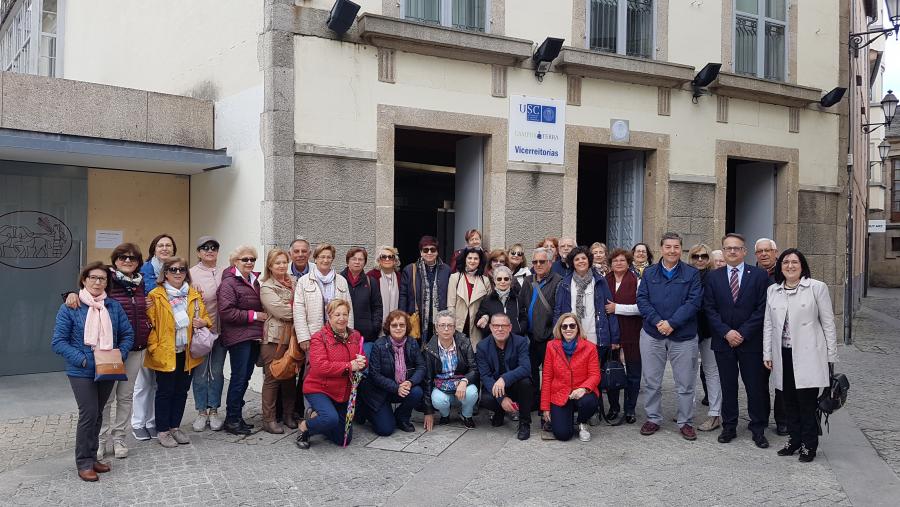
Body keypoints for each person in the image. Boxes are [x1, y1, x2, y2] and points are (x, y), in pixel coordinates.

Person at [63, 244, 149, 459]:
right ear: (115, 259)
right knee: (105, 400)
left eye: (132, 258)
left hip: (132, 348)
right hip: (102, 352)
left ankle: (120, 437)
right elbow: (87, 294)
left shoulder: (141, 283)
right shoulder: (107, 278)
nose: (127, 260)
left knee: (126, 396)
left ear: (139, 262)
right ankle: (100, 440)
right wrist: (71, 294)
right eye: (122, 257)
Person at [52, 262, 134, 481]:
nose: (98, 282)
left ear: (107, 282)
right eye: (93, 278)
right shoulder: (71, 306)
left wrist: (120, 354)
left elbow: (127, 334)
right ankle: (83, 462)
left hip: (108, 367)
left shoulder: (113, 306)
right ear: (84, 280)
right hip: (82, 370)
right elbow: (58, 342)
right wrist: (83, 360)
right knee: (88, 414)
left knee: (98, 413)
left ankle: (92, 456)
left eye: (102, 279)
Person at [763, 249, 838, 463]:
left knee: (806, 403)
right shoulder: (773, 291)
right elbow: (768, 324)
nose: (790, 266)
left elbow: (828, 323)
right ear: (780, 267)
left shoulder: (816, 288)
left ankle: (809, 445)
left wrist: (830, 356)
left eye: (794, 262)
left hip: (809, 355)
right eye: (785, 262)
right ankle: (793, 440)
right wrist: (767, 352)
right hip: (783, 354)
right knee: (788, 402)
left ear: (802, 265)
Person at [704, 233, 772, 449]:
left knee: (755, 387)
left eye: (737, 248)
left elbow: (763, 308)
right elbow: (709, 309)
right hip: (723, 342)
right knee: (728, 385)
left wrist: (742, 332)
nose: (732, 251)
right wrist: (726, 332)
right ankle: (729, 426)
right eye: (728, 248)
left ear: (744, 251)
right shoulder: (713, 277)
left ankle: (758, 428)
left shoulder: (759, 276)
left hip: (751, 342)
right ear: (723, 252)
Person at [636, 232, 702, 441]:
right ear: (661, 249)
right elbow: (642, 300)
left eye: (676, 247)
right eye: (668, 247)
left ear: (680, 249)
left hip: (683, 335)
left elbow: (693, 303)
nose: (672, 251)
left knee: (685, 383)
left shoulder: (692, 274)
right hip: (652, 334)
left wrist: (672, 323)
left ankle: (685, 422)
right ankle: (653, 418)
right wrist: (658, 322)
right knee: (652, 381)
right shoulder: (649, 273)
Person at [145, 257, 210, 448]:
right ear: (165, 273)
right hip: (165, 351)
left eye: (181, 269)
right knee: (165, 392)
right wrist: (154, 347)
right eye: (173, 270)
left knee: (181, 391)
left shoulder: (193, 294)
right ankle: (163, 430)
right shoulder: (155, 295)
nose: (177, 273)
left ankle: (175, 426)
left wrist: (204, 322)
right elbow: (150, 325)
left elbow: (206, 317)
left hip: (187, 351)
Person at [553, 245, 620, 420]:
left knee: (595, 373)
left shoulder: (599, 281)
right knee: (576, 373)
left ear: (589, 261)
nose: (581, 261)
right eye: (577, 259)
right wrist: (557, 335)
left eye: (583, 258)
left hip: (595, 334)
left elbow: (609, 308)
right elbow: (559, 311)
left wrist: (614, 336)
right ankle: (578, 407)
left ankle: (597, 408)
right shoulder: (565, 283)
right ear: (572, 263)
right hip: (572, 335)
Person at [296, 300, 367, 449]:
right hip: (319, 388)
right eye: (337, 314)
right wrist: (349, 366)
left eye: (345, 314)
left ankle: (320, 418)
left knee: (343, 440)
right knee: (330, 419)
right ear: (329, 316)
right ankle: (305, 426)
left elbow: (361, 359)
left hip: (343, 393)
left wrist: (362, 362)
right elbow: (319, 366)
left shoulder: (355, 335)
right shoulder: (319, 337)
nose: (342, 318)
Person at [218, 245, 267, 435]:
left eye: (252, 259)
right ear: (235, 262)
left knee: (245, 378)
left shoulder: (254, 281)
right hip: (239, 338)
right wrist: (254, 316)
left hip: (253, 336)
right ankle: (231, 419)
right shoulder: (229, 283)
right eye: (244, 259)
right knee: (239, 378)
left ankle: (237, 417)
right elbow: (226, 312)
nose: (249, 262)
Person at [133, 234, 176, 440]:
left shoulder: (177, 271)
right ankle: (138, 422)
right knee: (144, 382)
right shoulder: (142, 272)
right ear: (154, 249)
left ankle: (152, 422)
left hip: (168, 336)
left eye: (168, 245)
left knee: (160, 383)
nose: (165, 248)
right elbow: (133, 298)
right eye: (161, 245)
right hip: (147, 332)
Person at [361, 310, 425, 436]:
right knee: (385, 430)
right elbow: (375, 375)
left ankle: (402, 417)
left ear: (407, 327)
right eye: (394, 325)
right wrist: (396, 388)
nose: (398, 328)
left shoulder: (412, 343)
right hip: (380, 391)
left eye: (402, 325)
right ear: (388, 327)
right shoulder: (379, 345)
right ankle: (365, 410)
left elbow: (421, 366)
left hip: (401, 387)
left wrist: (410, 382)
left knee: (417, 391)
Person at [540, 313, 600, 442]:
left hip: (581, 392)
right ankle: (564, 419)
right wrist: (545, 407)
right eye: (564, 326)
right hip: (560, 393)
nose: (568, 329)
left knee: (588, 401)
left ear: (577, 328)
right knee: (563, 435)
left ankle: (582, 422)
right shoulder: (551, 346)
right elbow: (547, 377)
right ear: (560, 329)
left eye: (572, 325)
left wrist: (584, 389)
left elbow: (595, 374)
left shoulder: (590, 347)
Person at [259, 248, 299, 434]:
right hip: (274, 338)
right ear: (270, 265)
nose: (282, 266)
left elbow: (303, 301)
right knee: (273, 377)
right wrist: (300, 310)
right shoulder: (266, 286)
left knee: (290, 376)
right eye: (277, 263)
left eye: (284, 262)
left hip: (293, 337)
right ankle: (269, 419)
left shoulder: (295, 281)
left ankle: (289, 415)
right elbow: (281, 311)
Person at [475, 313, 533, 440]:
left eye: (504, 325)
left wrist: (504, 379)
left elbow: (525, 367)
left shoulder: (520, 342)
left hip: (515, 386)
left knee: (526, 383)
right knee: (485, 398)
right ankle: (500, 411)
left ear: (510, 327)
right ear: (490, 327)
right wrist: (502, 399)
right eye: (496, 325)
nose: (500, 329)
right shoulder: (482, 346)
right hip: (496, 389)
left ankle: (524, 423)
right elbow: (485, 376)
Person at [189, 236, 226, 432]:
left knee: (217, 372)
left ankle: (214, 410)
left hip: (222, 332)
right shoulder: (190, 274)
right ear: (198, 252)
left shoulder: (226, 272)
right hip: (201, 332)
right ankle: (201, 412)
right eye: (205, 248)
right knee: (201, 372)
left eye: (213, 247)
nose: (209, 251)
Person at [518, 247, 563, 408]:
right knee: (531, 372)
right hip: (529, 336)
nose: (538, 264)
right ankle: (535, 402)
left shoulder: (558, 281)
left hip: (548, 336)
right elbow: (521, 307)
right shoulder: (528, 280)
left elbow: (559, 310)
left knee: (549, 373)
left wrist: (553, 334)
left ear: (550, 263)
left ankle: (547, 404)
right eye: (535, 261)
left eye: (542, 261)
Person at [603, 248, 643, 424]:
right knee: (612, 371)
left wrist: (617, 308)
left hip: (633, 333)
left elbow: (641, 307)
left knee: (633, 374)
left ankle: (630, 409)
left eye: (622, 260)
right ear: (610, 264)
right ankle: (613, 407)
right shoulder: (604, 281)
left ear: (628, 263)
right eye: (615, 261)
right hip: (611, 334)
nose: (618, 263)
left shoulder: (638, 281)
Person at [421, 310, 479, 430]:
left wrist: (464, 381)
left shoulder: (464, 342)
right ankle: (445, 415)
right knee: (437, 399)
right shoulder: (429, 349)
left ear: (454, 328)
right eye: (442, 325)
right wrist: (428, 412)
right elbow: (427, 379)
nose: (446, 329)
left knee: (472, 392)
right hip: (442, 386)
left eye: (450, 325)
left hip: (461, 385)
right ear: (436, 328)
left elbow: (474, 368)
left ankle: (466, 415)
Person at [755, 237, 787, 436]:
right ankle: (761, 416)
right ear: (755, 255)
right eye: (760, 251)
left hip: (781, 335)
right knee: (759, 382)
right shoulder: (751, 274)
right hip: (757, 336)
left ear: (776, 252)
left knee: (782, 381)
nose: (764, 254)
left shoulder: (786, 273)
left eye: (768, 250)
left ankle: (782, 420)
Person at [688, 243, 722, 432]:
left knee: (711, 372)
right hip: (690, 331)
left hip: (710, 331)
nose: (699, 259)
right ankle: (687, 410)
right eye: (695, 256)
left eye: (703, 256)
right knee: (689, 372)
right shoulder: (686, 275)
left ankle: (715, 414)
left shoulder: (716, 277)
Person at [294, 243, 354, 346]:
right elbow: (299, 311)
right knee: (316, 362)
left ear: (332, 259)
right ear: (315, 259)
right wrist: (303, 337)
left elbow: (349, 310)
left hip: (338, 335)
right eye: (322, 257)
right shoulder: (304, 281)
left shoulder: (341, 280)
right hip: (313, 335)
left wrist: (349, 333)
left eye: (329, 257)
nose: (325, 260)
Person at [399, 236, 451, 340]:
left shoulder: (446, 270)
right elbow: (403, 295)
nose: (429, 253)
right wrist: (402, 317)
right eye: (425, 250)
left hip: (439, 319)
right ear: (421, 252)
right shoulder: (410, 270)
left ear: (437, 252)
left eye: (433, 249)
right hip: (417, 319)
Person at [448, 247, 491, 346]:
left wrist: (485, 318)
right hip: (458, 326)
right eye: (469, 258)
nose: (472, 261)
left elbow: (488, 306)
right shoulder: (455, 278)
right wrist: (451, 326)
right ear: (465, 259)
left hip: (476, 328)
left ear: (480, 261)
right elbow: (450, 305)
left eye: (476, 258)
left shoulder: (485, 280)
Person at [341, 247, 383, 344]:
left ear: (364, 262)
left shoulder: (370, 281)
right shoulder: (339, 280)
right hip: (342, 334)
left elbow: (377, 307)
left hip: (366, 337)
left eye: (360, 259)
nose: (357, 262)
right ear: (347, 261)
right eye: (354, 259)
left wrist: (374, 328)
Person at [476, 265, 526, 336]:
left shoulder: (518, 299)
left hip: (515, 340)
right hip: (493, 341)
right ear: (494, 281)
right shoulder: (487, 300)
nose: (503, 281)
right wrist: (491, 331)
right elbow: (478, 319)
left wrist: (519, 330)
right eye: (499, 279)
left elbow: (524, 319)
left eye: (506, 279)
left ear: (510, 280)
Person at [367, 246, 402, 323]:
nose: (387, 259)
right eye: (384, 257)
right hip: (376, 322)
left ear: (395, 261)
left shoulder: (400, 277)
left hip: (397, 323)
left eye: (390, 257)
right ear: (379, 260)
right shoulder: (370, 276)